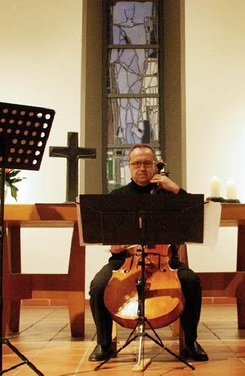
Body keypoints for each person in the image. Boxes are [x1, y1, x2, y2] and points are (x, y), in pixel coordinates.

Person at [88, 144, 209, 362]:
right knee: (98, 286)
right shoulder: (117, 196)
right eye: (136, 163)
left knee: (191, 281)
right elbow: (110, 237)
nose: (142, 168)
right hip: (125, 261)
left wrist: (175, 189)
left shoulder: (170, 195)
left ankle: (190, 342)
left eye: (147, 163)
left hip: (164, 261)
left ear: (155, 165)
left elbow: (194, 215)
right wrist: (114, 244)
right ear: (129, 166)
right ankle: (103, 344)